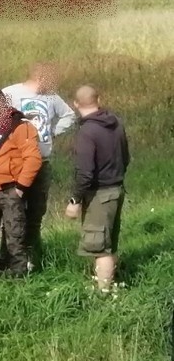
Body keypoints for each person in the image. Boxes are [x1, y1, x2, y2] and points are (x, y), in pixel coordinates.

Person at [1, 62, 77, 271]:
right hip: (16, 164)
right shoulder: (11, 93)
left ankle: (33, 259)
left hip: (42, 164)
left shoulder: (52, 97)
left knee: (35, 213)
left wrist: (52, 131)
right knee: (13, 213)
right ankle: (8, 261)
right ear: (39, 77)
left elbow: (69, 115)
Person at [64, 85, 130, 294]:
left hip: (99, 195)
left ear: (75, 104)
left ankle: (103, 294)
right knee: (110, 243)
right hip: (117, 189)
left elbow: (85, 173)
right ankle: (110, 285)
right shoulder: (116, 123)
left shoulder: (87, 132)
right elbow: (126, 157)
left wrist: (75, 201)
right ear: (98, 100)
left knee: (99, 247)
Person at [0, 88, 43, 281]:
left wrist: (20, 188)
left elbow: (33, 159)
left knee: (15, 238)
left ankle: (18, 278)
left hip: (11, 190)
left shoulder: (20, 127)